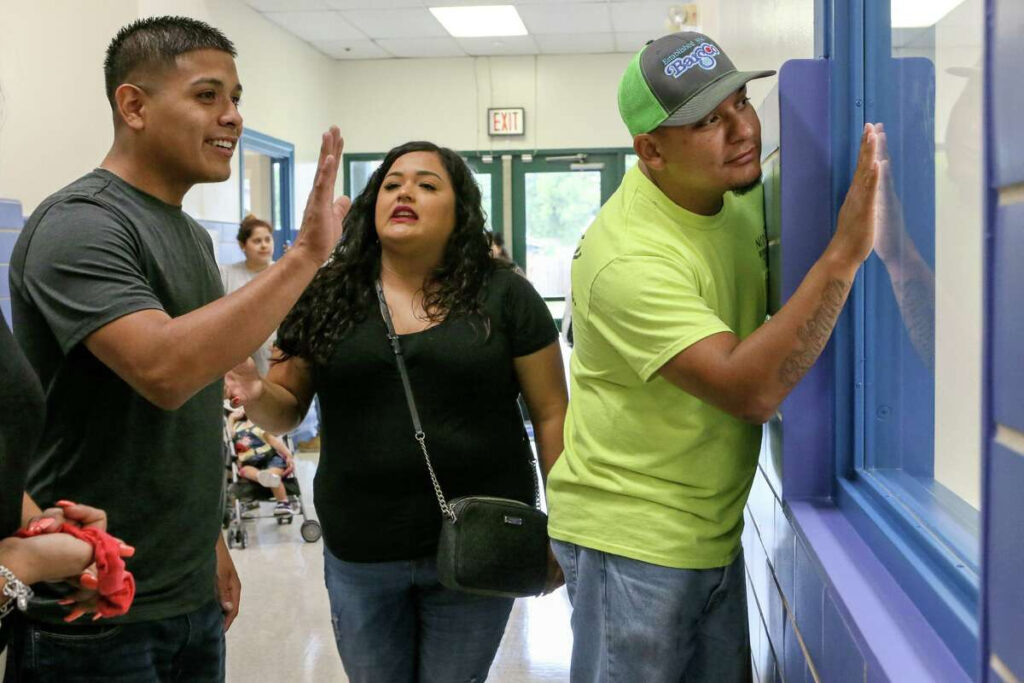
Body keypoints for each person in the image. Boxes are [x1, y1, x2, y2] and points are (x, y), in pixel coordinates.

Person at [7, 16, 348, 681]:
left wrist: (210, 542)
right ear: (133, 106)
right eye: (207, 95)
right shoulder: (81, 224)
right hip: (92, 602)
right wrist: (306, 256)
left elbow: (192, 406)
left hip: (184, 590)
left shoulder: (189, 235)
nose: (233, 116)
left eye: (235, 98)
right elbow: (164, 371)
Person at [544, 32, 882, 682]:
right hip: (632, 540)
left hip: (710, 528)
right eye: (707, 122)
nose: (743, 130)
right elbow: (748, 389)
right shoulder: (627, 256)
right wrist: (844, 254)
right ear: (652, 151)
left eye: (741, 103)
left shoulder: (737, 196)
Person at [226, 141, 568, 683]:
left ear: (460, 211)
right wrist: (254, 391)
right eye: (391, 184)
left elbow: (552, 413)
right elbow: (286, 409)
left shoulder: (505, 294)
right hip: (361, 546)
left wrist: (564, 528)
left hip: (482, 542)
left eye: (427, 185)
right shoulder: (325, 294)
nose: (405, 192)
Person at [220, 214, 277, 375]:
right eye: (257, 241)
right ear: (242, 245)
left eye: (268, 240)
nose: (264, 245)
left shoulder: (282, 272)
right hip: (238, 359)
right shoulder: (226, 274)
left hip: (274, 356)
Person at [226, 407, 297, 516]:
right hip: (249, 461)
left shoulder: (262, 425)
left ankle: (283, 503)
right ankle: (261, 476)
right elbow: (229, 436)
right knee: (246, 470)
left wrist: (288, 455)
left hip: (270, 458)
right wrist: (231, 418)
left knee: (273, 476)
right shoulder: (237, 426)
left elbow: (276, 443)